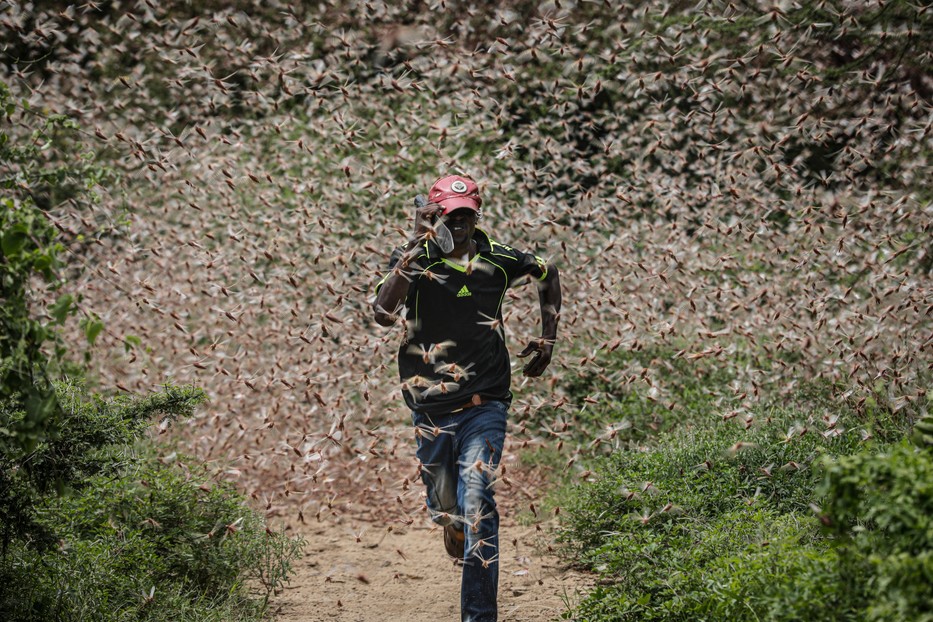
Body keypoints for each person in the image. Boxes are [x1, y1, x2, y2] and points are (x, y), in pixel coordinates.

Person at [372, 174, 561, 622]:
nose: (458, 224)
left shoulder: (498, 258)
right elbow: (382, 314)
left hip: (486, 403)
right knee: (447, 508)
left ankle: (479, 616)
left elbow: (547, 272)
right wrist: (418, 245)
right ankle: (449, 524)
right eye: (449, 216)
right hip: (431, 409)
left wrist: (548, 337)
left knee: (479, 504)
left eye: (465, 215)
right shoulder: (413, 261)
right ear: (434, 215)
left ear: (476, 215)